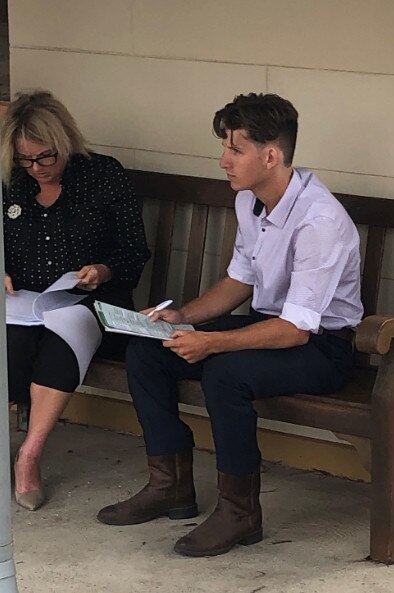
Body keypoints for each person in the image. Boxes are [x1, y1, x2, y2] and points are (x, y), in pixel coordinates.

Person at [97, 93, 363, 556]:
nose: (223, 160)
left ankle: (239, 513)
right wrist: (180, 318)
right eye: (224, 146)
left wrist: (214, 342)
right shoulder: (252, 201)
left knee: (225, 371)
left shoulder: (319, 221)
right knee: (148, 349)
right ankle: (170, 486)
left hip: (323, 348)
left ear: (271, 155)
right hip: (269, 328)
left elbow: (297, 329)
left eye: (235, 149)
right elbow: (240, 279)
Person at [2, 90, 150, 511]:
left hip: (92, 302)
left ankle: (29, 454)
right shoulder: (9, 181)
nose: (36, 169)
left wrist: (102, 271)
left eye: (45, 158)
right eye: (24, 160)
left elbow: (134, 250)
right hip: (26, 301)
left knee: (63, 338)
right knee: (12, 346)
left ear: (65, 141)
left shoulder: (103, 176)